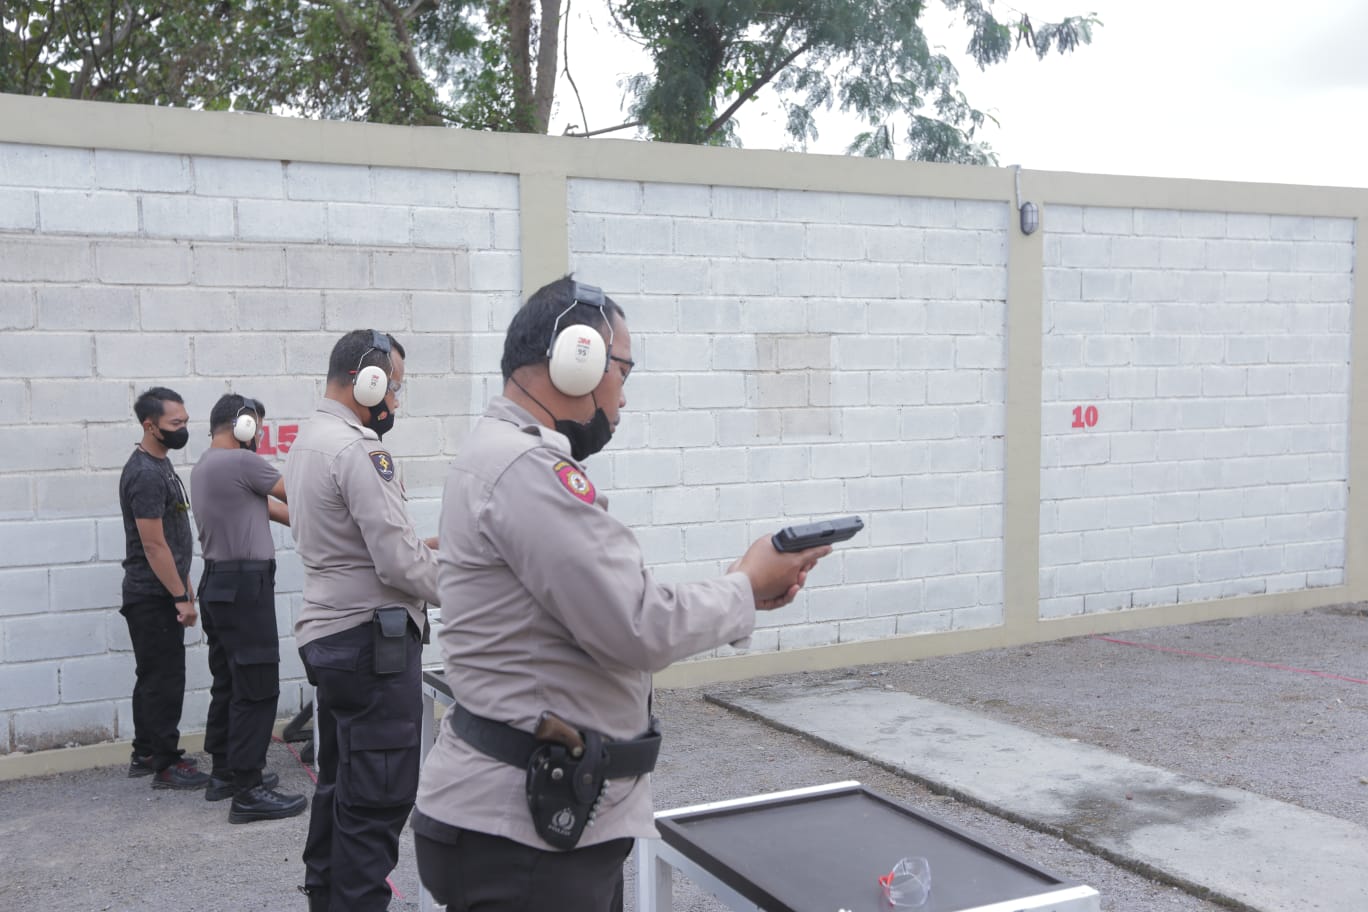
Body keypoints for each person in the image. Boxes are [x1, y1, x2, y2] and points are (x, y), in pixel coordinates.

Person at [412, 278, 830, 911]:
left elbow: (603, 608)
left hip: (527, 821)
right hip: (525, 843)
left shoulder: (496, 454)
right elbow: (638, 625)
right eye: (622, 370)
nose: (624, 396)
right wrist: (745, 587)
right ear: (575, 358)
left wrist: (742, 592)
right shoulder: (530, 470)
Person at [285, 330, 440, 912]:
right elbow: (398, 562)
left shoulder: (309, 440)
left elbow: (360, 546)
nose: (395, 403)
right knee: (377, 801)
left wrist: (427, 553)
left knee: (341, 788)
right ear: (367, 378)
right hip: (370, 647)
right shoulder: (357, 449)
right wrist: (471, 589)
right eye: (393, 387)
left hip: (334, 641)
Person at [190, 393, 308, 824]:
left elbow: (274, 509)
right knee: (257, 685)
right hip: (244, 585)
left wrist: (311, 521)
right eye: (256, 426)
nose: (258, 434)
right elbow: (298, 493)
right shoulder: (241, 463)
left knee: (229, 681)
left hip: (217, 583)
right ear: (241, 425)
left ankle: (223, 773)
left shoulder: (206, 465)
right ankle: (248, 789)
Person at [118, 386, 210, 790]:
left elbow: (172, 539)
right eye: (176, 424)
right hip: (152, 596)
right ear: (150, 426)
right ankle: (167, 765)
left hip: (163, 590)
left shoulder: (160, 465)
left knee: (152, 675)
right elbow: (153, 545)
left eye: (186, 422)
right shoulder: (144, 474)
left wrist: (186, 583)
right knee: (164, 679)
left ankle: (146, 751)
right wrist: (179, 597)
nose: (183, 429)